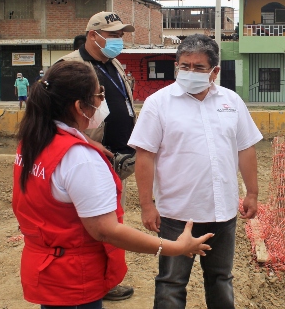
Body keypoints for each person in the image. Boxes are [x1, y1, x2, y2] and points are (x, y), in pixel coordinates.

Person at [12, 60, 212, 309]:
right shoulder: (79, 159)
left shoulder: (35, 141)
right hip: (74, 276)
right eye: (99, 94)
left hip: (48, 267)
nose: (101, 101)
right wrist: (174, 247)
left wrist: (82, 142)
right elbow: (106, 230)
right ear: (79, 106)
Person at [128, 34, 262, 309]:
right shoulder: (158, 104)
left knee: (221, 278)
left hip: (222, 212)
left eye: (199, 67)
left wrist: (252, 192)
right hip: (177, 214)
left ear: (214, 71)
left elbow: (245, 148)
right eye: (184, 65)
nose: (190, 72)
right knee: (171, 282)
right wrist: (146, 205)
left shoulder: (232, 102)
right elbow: (145, 156)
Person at [55, 11, 138, 301]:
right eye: (113, 34)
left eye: (121, 35)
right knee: (90, 225)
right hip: (88, 160)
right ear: (94, 35)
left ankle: (106, 278)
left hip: (117, 161)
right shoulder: (69, 67)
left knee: (112, 222)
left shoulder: (112, 63)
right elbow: (56, 119)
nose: (119, 40)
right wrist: (88, 145)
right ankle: (88, 282)